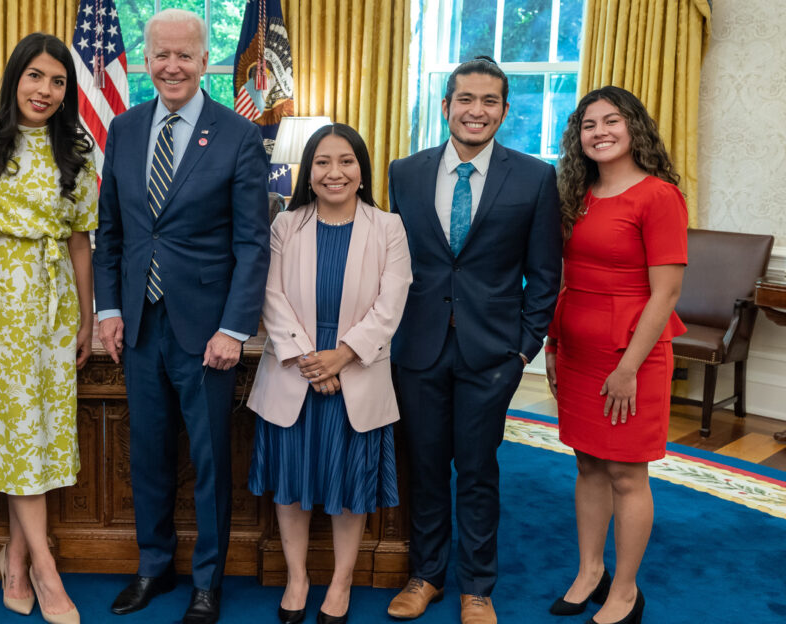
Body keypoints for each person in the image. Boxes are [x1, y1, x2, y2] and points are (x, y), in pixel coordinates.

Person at [92, 8, 270, 624]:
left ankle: (207, 581)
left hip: (207, 331)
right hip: (139, 322)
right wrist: (108, 308)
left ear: (204, 61)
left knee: (210, 457)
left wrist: (234, 328)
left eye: (184, 55)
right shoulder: (124, 127)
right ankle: (153, 566)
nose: (172, 65)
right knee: (148, 452)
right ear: (146, 61)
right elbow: (111, 231)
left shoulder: (238, 135)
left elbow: (253, 243)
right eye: (160, 55)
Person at [385, 56, 562, 624]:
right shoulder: (405, 172)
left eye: (489, 102)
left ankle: (477, 587)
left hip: (493, 353)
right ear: (446, 107)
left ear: (505, 111)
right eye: (466, 99)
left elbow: (545, 273)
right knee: (427, 465)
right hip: (417, 347)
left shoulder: (534, 177)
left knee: (479, 470)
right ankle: (427, 575)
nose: (476, 111)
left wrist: (523, 349)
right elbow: (392, 260)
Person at [0, 32, 96, 624]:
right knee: (14, 429)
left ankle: (16, 557)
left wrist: (86, 317)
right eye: (36, 76)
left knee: (33, 434)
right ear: (15, 78)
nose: (46, 90)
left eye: (58, 81)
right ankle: (45, 569)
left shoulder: (77, 150)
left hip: (52, 305)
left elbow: (81, 241)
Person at [247, 123, 412, 624]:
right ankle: (297, 577)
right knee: (291, 485)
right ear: (309, 171)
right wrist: (309, 360)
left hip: (356, 377)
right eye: (322, 162)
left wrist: (341, 356)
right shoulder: (284, 224)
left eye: (346, 161)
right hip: (293, 375)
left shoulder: (389, 228)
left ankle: (340, 583)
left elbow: (392, 304)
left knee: (350, 490)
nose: (334, 172)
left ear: (362, 170)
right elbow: (270, 296)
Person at [545, 86, 687, 624]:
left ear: (634, 128)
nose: (599, 132)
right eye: (588, 124)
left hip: (632, 354)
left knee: (627, 474)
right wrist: (554, 344)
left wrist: (628, 366)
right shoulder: (575, 194)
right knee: (587, 465)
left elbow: (666, 293)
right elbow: (567, 278)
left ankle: (625, 589)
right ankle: (589, 571)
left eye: (612, 121)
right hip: (577, 348)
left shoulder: (659, 196)